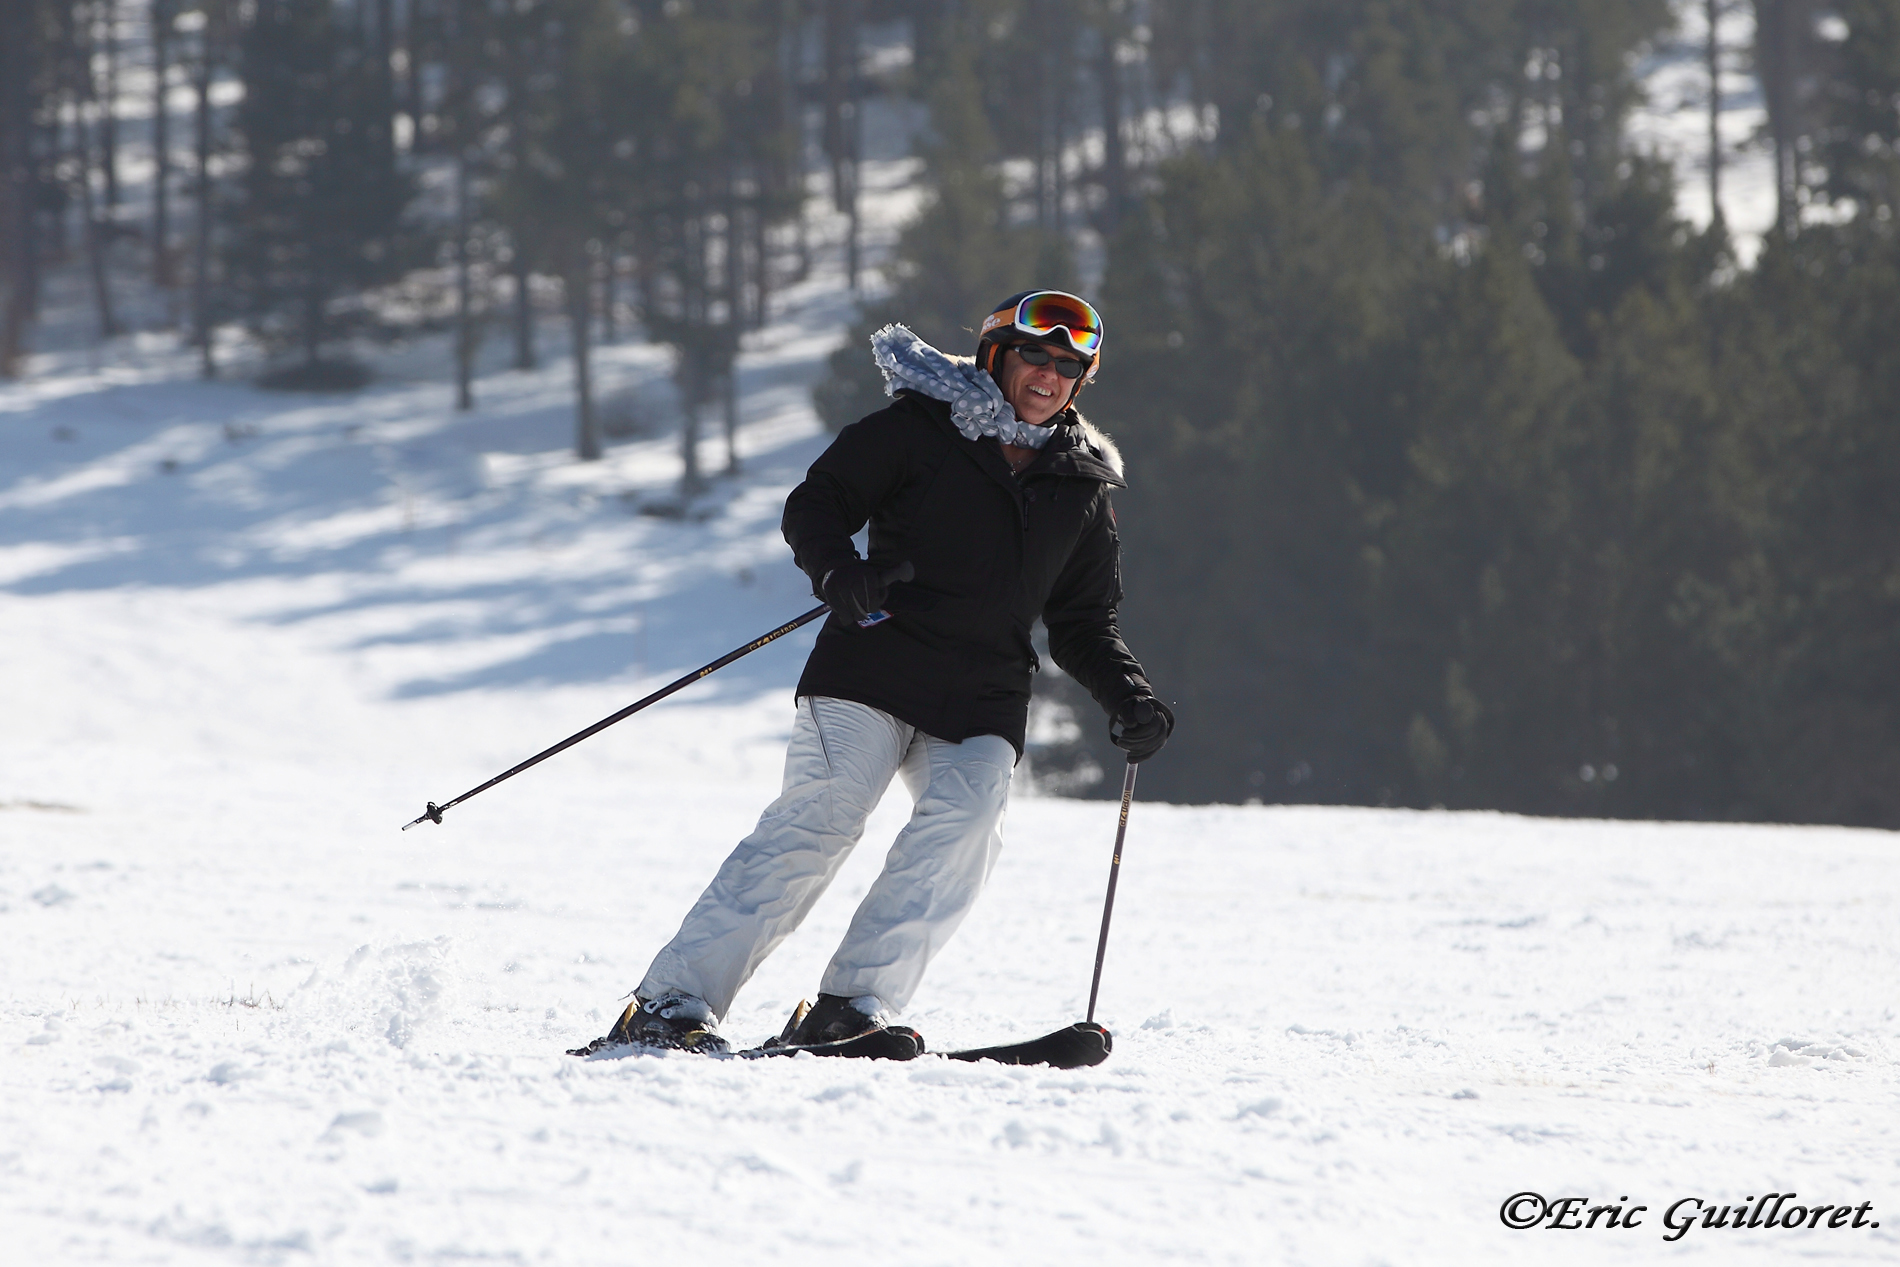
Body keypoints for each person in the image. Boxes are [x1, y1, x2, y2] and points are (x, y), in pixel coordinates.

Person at [592, 290, 1173, 1057]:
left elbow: (1084, 621)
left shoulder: (1081, 482)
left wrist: (1128, 692)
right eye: (1035, 354)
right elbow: (819, 502)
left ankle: (849, 1007)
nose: (1049, 374)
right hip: (872, 665)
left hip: (983, 693)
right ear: (997, 355)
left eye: (1069, 366)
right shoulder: (921, 427)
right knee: (824, 815)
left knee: (968, 826)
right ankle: (669, 1005)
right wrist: (839, 570)